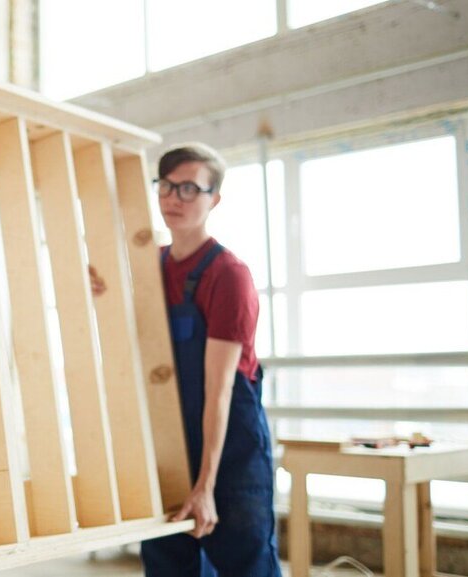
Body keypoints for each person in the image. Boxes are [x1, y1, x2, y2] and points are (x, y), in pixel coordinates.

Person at [138, 144, 280, 576]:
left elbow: (218, 391)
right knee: (168, 565)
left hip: (230, 453)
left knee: (245, 565)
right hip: (169, 445)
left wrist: (205, 485)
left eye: (188, 188)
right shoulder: (149, 266)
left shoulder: (228, 275)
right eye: (165, 185)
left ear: (213, 199)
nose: (172, 198)